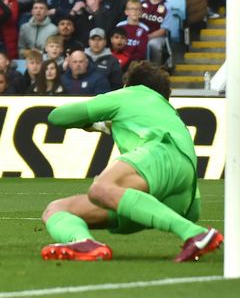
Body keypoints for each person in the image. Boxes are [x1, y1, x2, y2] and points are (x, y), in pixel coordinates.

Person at [41, 61, 223, 262]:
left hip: (161, 153)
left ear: (128, 84)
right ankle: (83, 243)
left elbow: (58, 117)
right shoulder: (168, 113)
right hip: (184, 195)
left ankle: (194, 233)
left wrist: (94, 122)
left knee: (101, 188)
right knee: (57, 208)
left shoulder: (131, 93)